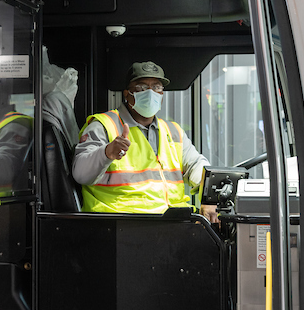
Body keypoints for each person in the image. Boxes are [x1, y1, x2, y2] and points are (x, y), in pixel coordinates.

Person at [72, 61, 218, 222]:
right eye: (142, 87)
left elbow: (196, 165)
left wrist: (208, 198)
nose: (151, 93)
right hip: (122, 224)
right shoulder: (104, 125)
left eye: (156, 87)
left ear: (162, 95)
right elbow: (80, 174)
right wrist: (107, 153)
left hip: (172, 221)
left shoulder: (173, 130)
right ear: (127, 94)